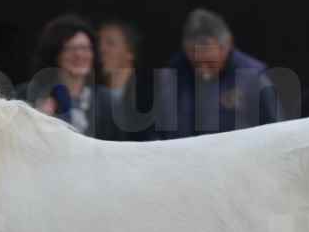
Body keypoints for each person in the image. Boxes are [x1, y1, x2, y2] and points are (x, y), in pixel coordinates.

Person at [153, 9, 280, 139]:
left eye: (210, 62)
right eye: (195, 63)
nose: (202, 71)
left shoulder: (253, 78)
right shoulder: (170, 77)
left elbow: (276, 133)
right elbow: (156, 135)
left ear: (226, 46)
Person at [25, 14, 125, 140]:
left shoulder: (108, 101)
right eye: (70, 48)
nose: (79, 55)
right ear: (56, 54)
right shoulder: (30, 96)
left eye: (85, 48)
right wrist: (37, 122)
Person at [97, 18, 153, 140]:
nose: (101, 49)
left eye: (110, 43)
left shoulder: (151, 97)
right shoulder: (89, 96)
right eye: (99, 44)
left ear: (130, 52)